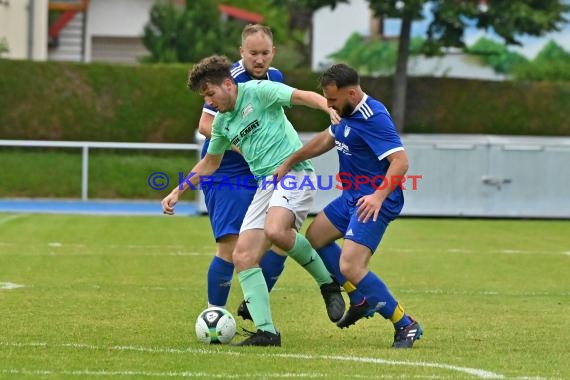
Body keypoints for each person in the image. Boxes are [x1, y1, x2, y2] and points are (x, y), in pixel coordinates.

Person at [161, 55, 345, 346]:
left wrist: (330, 108)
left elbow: (301, 96)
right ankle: (267, 332)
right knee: (243, 256)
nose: (209, 102)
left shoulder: (259, 91)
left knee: (275, 231)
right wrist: (178, 190)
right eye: (205, 97)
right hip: (267, 185)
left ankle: (328, 284)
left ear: (227, 84)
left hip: (296, 173)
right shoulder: (222, 122)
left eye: (210, 94)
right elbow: (210, 163)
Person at [273, 63, 423, 348]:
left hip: (375, 200)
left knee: (351, 266)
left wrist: (378, 196)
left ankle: (406, 324)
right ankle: (359, 298)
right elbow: (327, 139)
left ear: (352, 93)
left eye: (332, 100)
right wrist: (290, 161)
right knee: (315, 238)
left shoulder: (373, 117)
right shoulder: (344, 113)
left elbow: (401, 162)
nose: (328, 105)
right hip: (351, 197)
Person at [196, 24, 287, 320]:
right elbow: (205, 126)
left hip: (260, 171)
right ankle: (215, 315)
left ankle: (252, 305)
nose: (259, 60)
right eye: (253, 54)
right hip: (225, 171)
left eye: (264, 53)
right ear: (241, 53)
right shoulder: (228, 80)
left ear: (272, 53)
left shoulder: (275, 78)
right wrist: (243, 144)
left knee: (280, 238)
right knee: (231, 246)